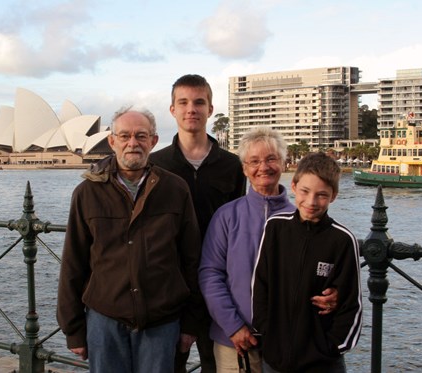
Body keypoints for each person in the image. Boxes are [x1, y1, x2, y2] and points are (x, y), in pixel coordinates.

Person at [57, 106, 203, 373]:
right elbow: (73, 264)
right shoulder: (87, 193)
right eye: (124, 136)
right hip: (105, 319)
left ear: (154, 141)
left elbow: (192, 259)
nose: (132, 143)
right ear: (112, 141)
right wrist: (73, 329)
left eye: (141, 136)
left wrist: (192, 322)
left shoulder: (175, 189)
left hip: (162, 319)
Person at [199, 127, 339, 373]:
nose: (263, 167)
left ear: (284, 164)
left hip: (290, 342)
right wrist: (233, 325)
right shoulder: (227, 216)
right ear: (244, 169)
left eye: (271, 159)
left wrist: (335, 292)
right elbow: (210, 274)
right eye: (254, 161)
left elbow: (325, 267)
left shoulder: (303, 217)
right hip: (234, 342)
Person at [150, 74, 246, 373]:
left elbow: (239, 225)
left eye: (199, 102)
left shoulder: (232, 165)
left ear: (210, 108)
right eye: (184, 102)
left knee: (214, 363)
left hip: (217, 281)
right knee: (167, 363)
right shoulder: (156, 164)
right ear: (172, 110)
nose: (191, 109)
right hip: (169, 282)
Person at [252, 152, 363, 373]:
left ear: (333, 196)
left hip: (322, 362)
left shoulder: (342, 240)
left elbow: (352, 303)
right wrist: (266, 332)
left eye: (321, 195)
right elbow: (261, 284)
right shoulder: (275, 228)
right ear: (293, 187)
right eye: (305, 191)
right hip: (276, 358)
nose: (311, 202)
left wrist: (331, 347)